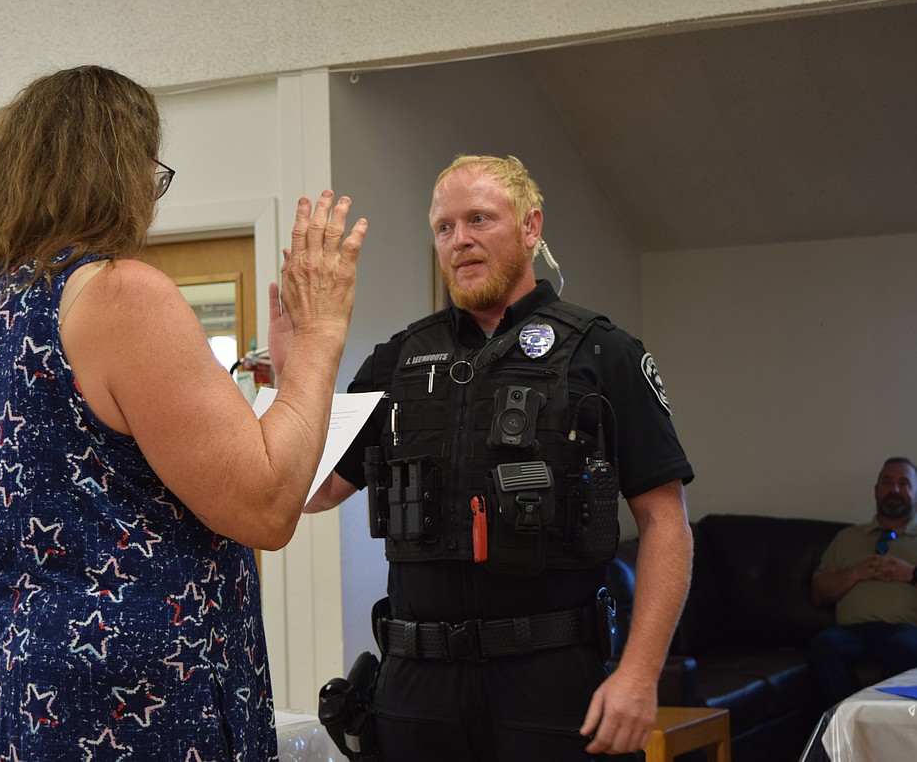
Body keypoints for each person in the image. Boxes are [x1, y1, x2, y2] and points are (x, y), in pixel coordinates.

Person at [0, 65, 367, 760]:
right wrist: (318, 341)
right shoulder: (119, 295)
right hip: (124, 705)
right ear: (120, 171)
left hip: (0, 686)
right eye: (152, 175)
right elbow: (269, 503)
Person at [292, 155, 694, 761]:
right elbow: (311, 490)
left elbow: (667, 523)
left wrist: (639, 674)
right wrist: (300, 365)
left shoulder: (602, 353)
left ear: (531, 227)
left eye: (480, 219)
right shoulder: (398, 361)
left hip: (552, 686)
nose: (460, 241)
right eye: (445, 227)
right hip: (416, 691)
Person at [810, 457, 917, 707]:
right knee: (823, 645)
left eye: (904, 483)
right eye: (887, 482)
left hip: (907, 631)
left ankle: (889, 730)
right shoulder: (847, 538)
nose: (895, 490)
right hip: (853, 632)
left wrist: (911, 574)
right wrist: (855, 573)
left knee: (901, 647)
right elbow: (819, 594)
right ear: (876, 490)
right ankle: (846, 726)